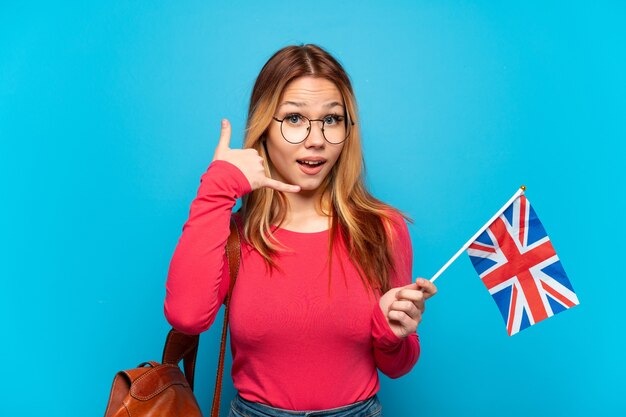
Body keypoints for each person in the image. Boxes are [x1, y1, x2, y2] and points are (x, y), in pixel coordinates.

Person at [164, 44, 437, 417]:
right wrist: (217, 188)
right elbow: (186, 316)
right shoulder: (235, 237)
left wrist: (392, 334)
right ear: (264, 127)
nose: (316, 139)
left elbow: (398, 364)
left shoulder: (381, 229)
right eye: (294, 119)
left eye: (331, 119)